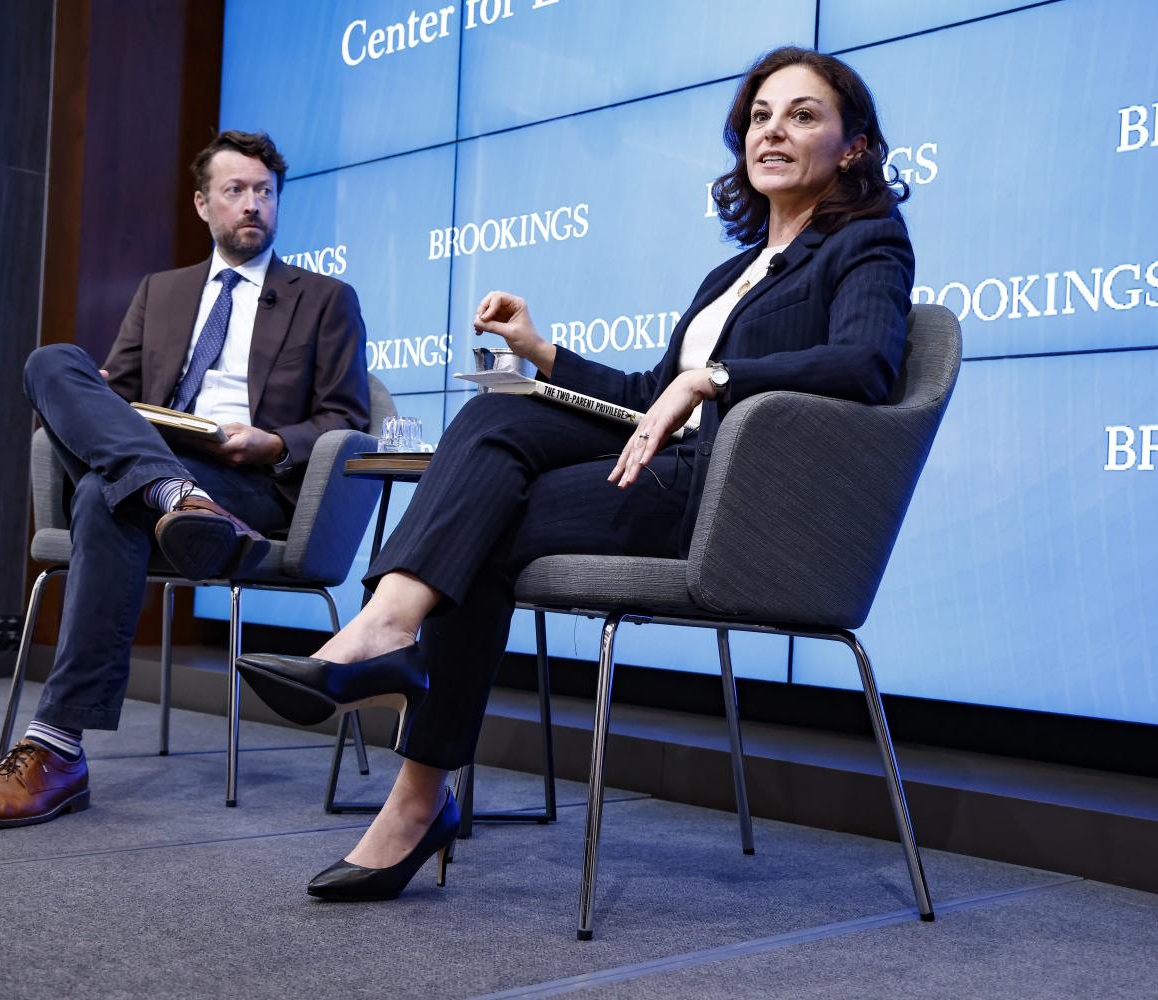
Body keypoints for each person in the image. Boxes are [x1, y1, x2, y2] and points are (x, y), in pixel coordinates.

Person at [239, 46, 914, 900]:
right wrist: (539, 351)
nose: (773, 129)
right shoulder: (729, 274)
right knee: (494, 414)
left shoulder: (867, 242)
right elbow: (643, 396)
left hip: (732, 503)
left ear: (853, 146)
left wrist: (715, 377)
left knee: (476, 524)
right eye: (760, 114)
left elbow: (864, 364)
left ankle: (407, 753)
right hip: (664, 468)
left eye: (804, 114)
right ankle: (394, 669)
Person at [0, 131, 371, 829]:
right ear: (204, 204)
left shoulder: (324, 299)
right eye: (235, 191)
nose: (252, 205)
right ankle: (168, 491)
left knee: (101, 496)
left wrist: (270, 442)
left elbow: (345, 421)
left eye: (265, 191)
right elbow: (119, 392)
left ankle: (54, 750)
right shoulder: (160, 292)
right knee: (52, 362)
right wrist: (100, 401)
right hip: (168, 460)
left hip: (247, 486)